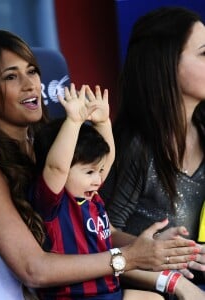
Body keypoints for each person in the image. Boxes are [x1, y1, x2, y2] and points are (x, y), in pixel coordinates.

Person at [0, 29, 204, 300]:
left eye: (32, 71)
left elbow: (96, 230)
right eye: (11, 76)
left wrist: (156, 250)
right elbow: (34, 269)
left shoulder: (45, 147)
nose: (30, 84)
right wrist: (128, 257)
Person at [99, 6, 205, 288]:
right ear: (167, 64)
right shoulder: (136, 145)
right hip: (151, 287)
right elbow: (99, 232)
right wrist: (158, 253)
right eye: (204, 53)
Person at [32, 83, 164, 299]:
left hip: (110, 292)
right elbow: (57, 167)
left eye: (99, 171)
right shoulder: (54, 202)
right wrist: (73, 122)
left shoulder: (89, 195)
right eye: (89, 171)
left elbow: (107, 159)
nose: (98, 179)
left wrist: (102, 122)